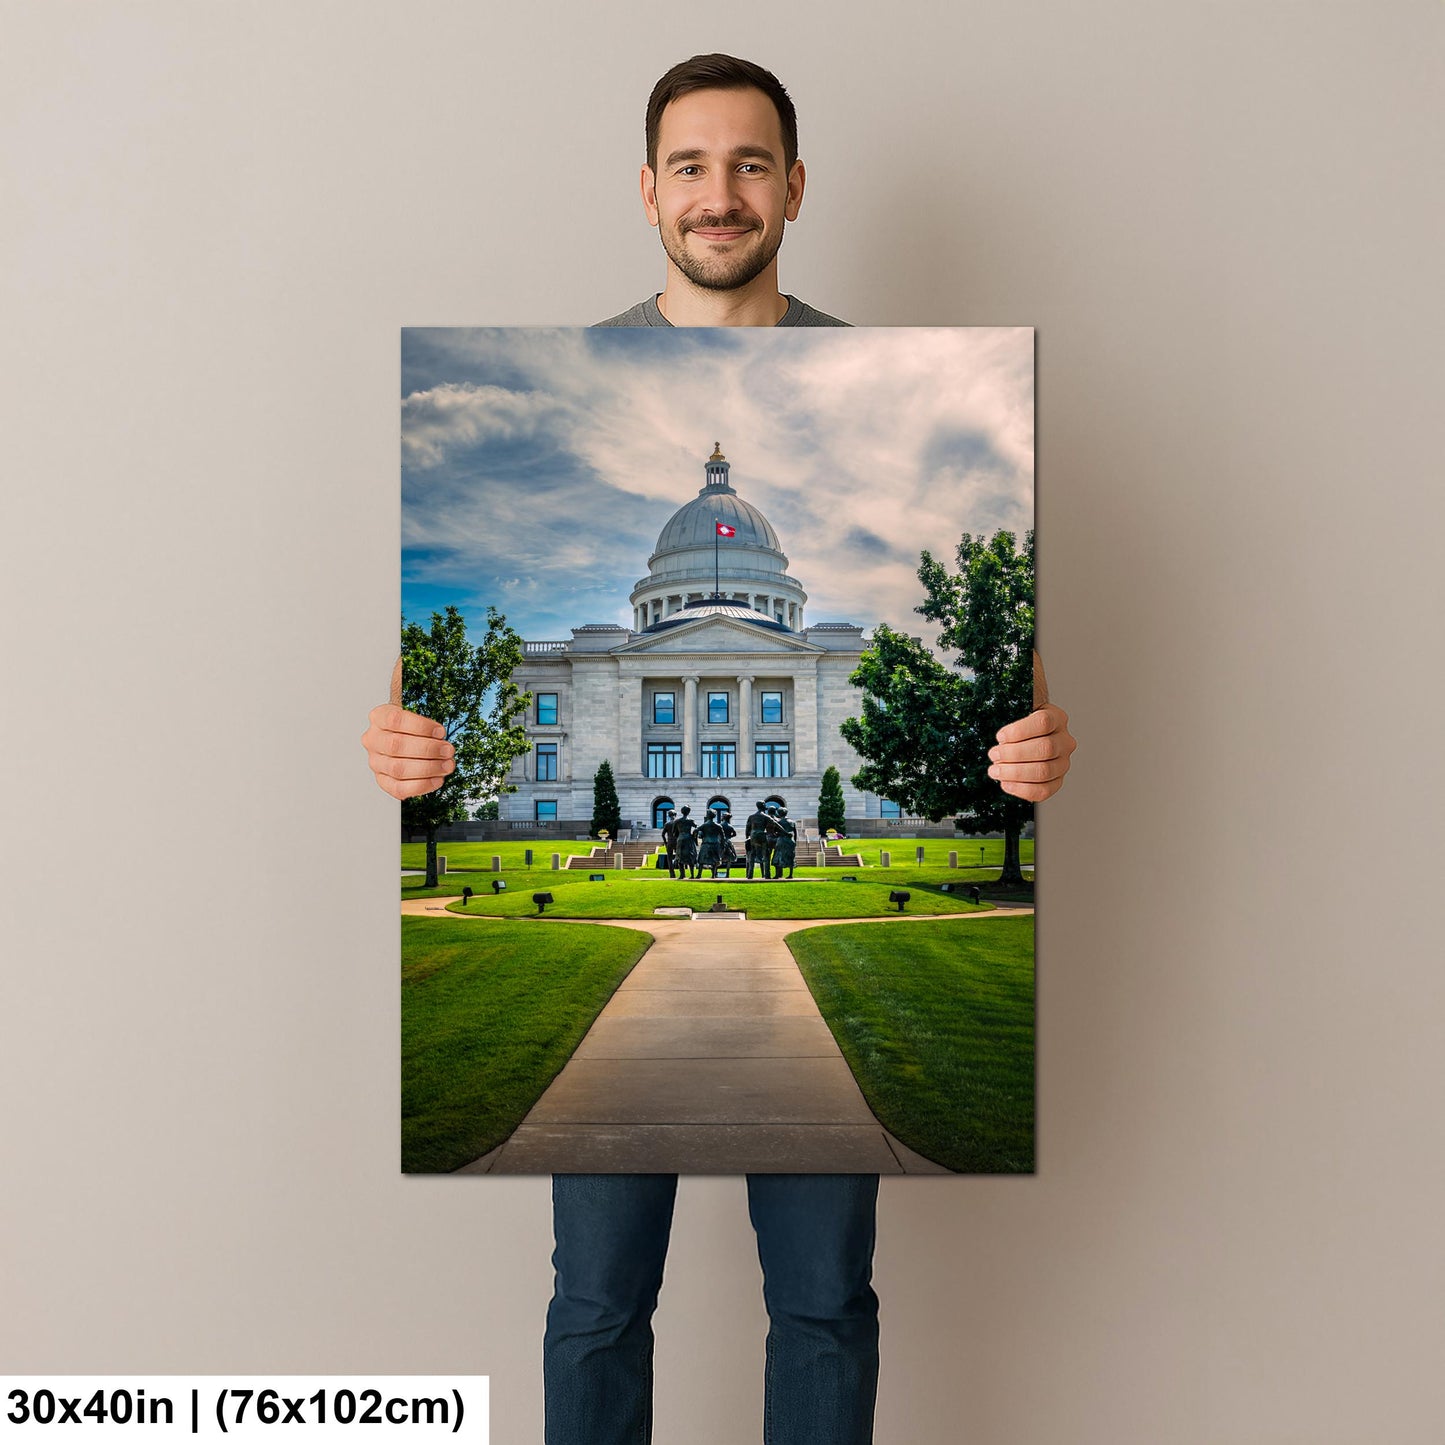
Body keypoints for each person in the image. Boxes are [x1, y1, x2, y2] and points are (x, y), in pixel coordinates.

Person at [362, 52, 1076, 1445]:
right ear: (647, 191)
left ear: (793, 187)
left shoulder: (886, 362)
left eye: (749, 163)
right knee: (595, 1298)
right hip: (652, 704)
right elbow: (403, 694)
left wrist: (1036, 744)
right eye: (689, 164)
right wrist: (399, 742)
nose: (719, 192)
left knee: (821, 1299)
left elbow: (1030, 690)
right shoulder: (575, 381)